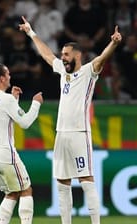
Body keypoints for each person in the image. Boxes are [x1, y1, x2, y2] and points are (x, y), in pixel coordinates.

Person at [19, 16, 122, 224]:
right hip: (61, 134)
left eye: (66, 55)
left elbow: (102, 59)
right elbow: (47, 55)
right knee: (62, 183)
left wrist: (113, 43)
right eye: (62, 54)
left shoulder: (88, 72)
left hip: (79, 133)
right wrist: (31, 32)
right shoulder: (62, 73)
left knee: (86, 180)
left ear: (78, 55)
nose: (63, 57)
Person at [0, 63, 43, 224]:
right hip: (4, 155)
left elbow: (1, 113)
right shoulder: (6, 99)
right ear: (1, 78)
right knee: (26, 190)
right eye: (7, 74)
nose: (10, 77)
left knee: (12, 193)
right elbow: (25, 122)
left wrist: (14, 99)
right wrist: (36, 104)